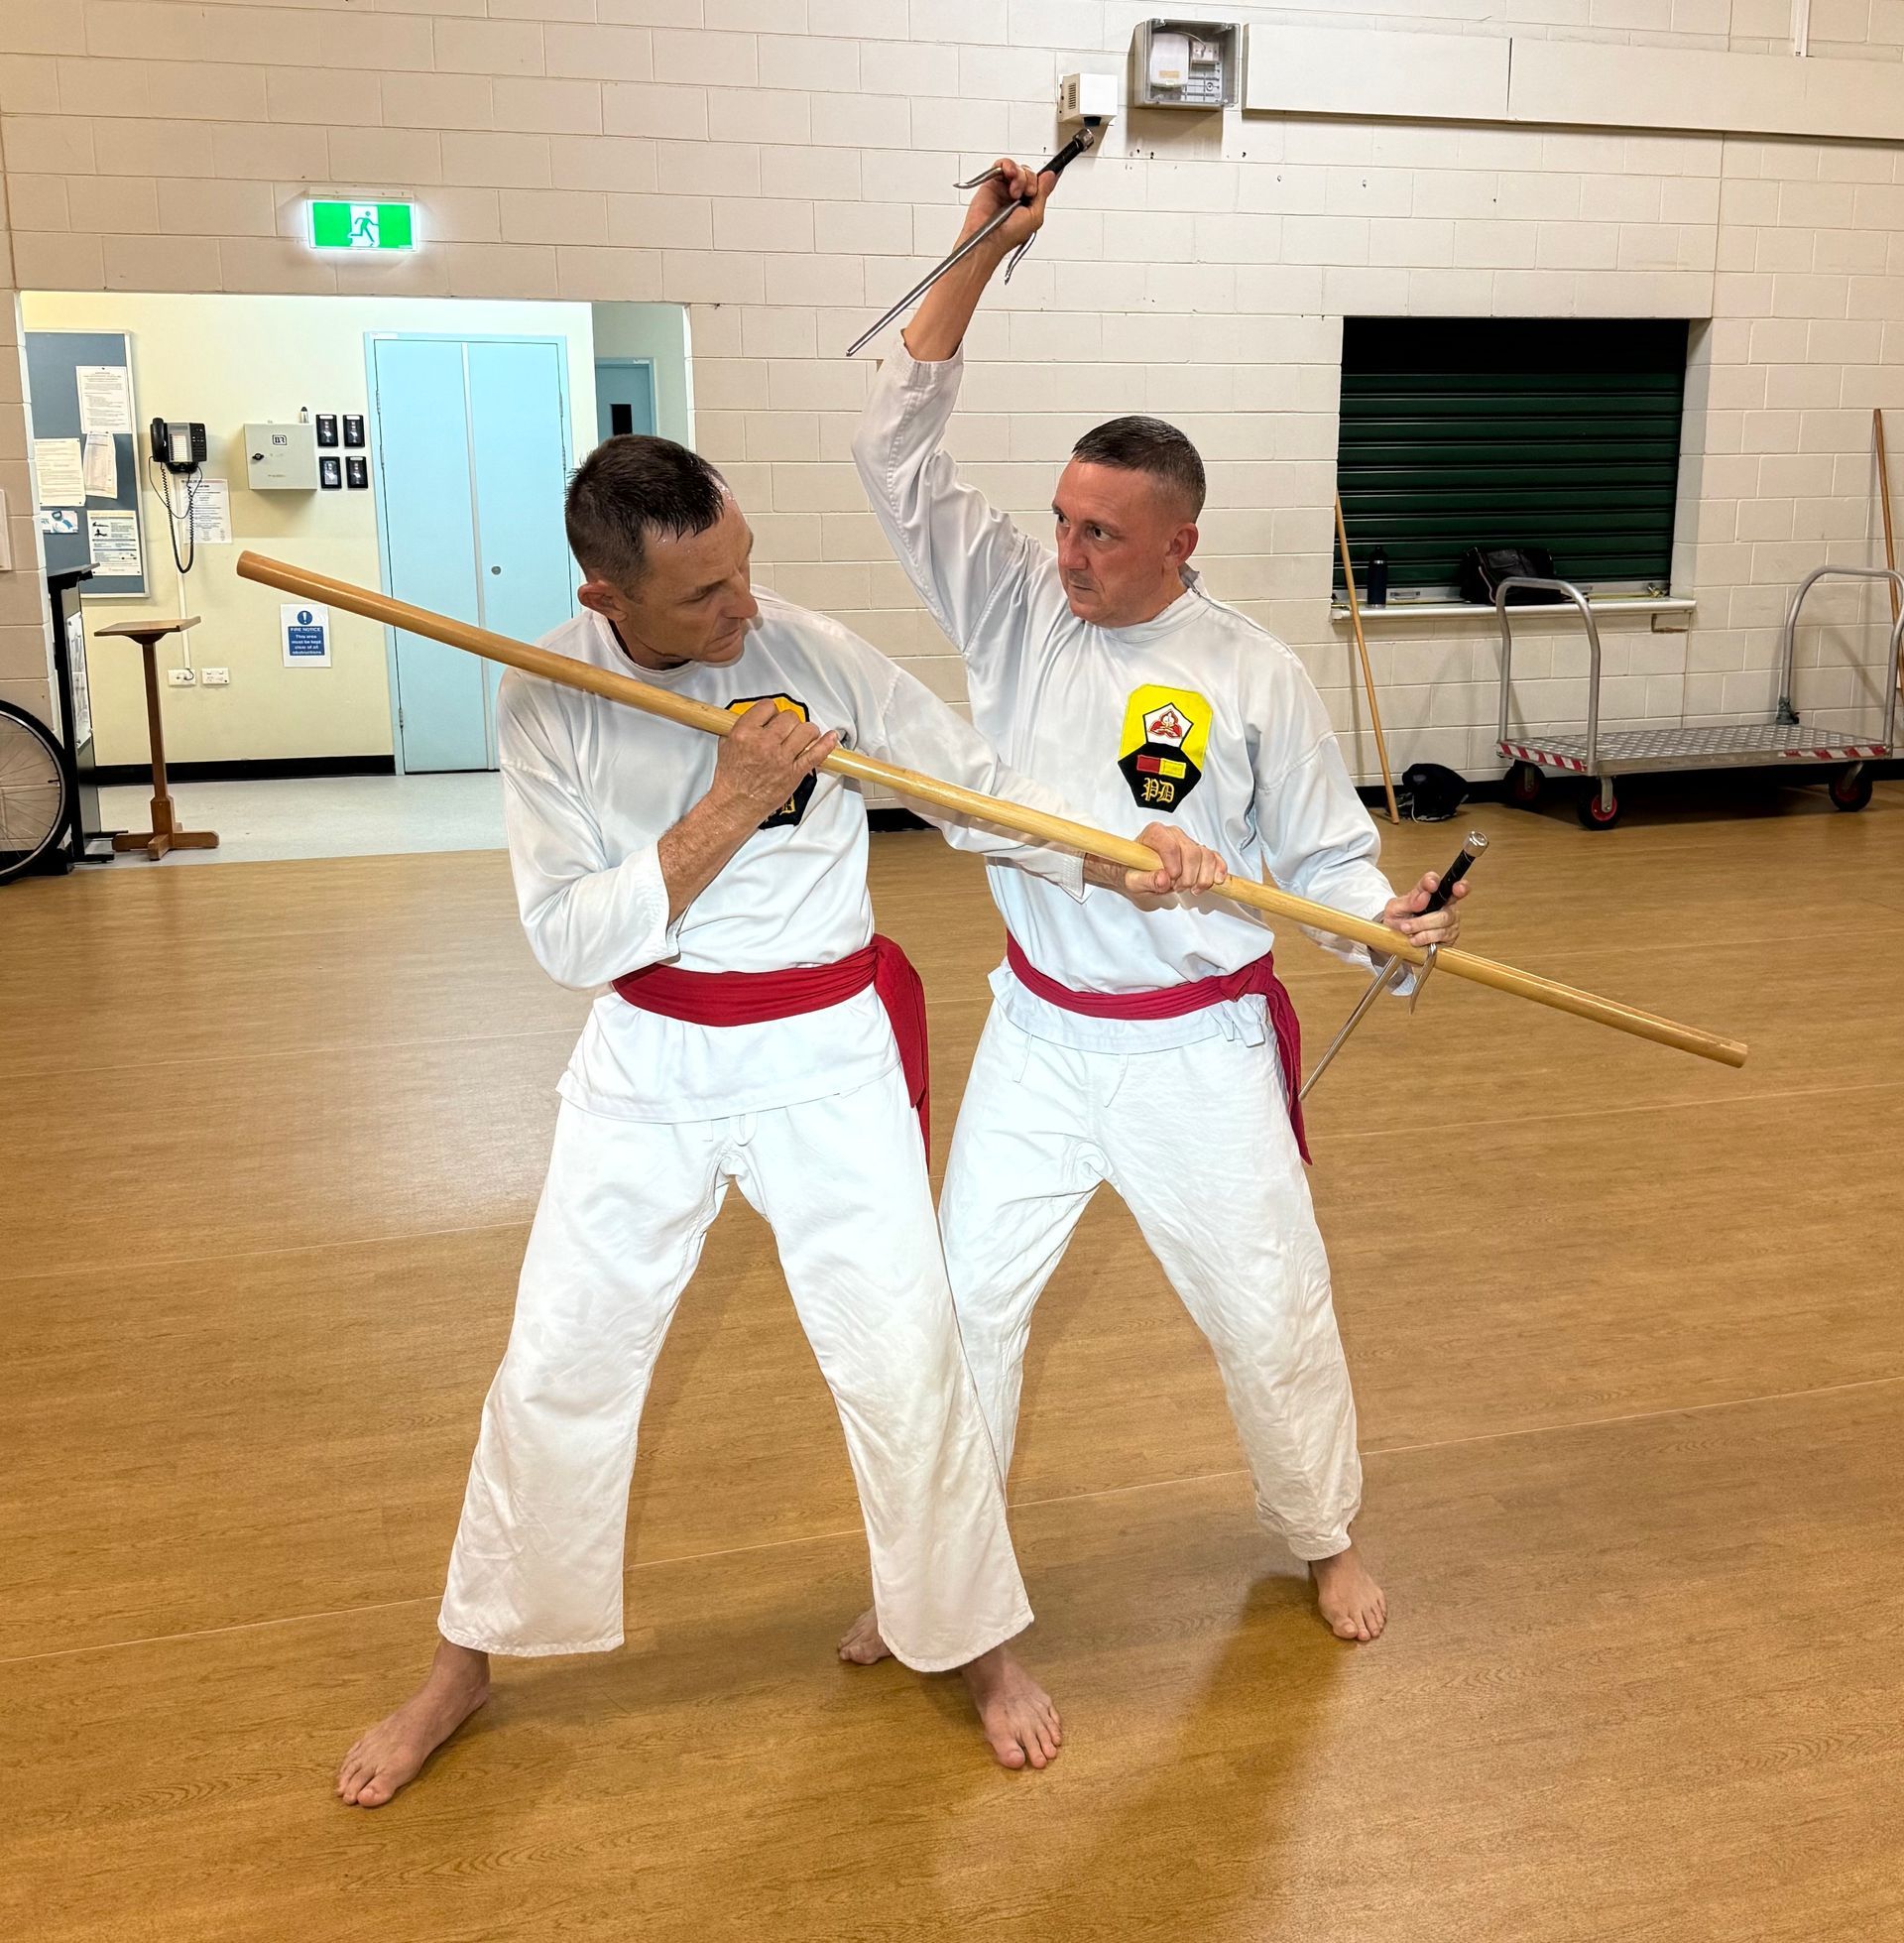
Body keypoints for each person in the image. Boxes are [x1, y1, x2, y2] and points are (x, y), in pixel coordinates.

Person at [336, 433, 1222, 1807]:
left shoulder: (807, 650)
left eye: (744, 572)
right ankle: (469, 1661)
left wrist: (1126, 856)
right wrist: (732, 807)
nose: (742, 611)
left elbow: (969, 790)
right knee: (562, 1356)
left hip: (825, 1054)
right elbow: (571, 940)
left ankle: (970, 1636)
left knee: (905, 1353)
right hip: (649, 1051)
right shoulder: (544, 700)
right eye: (704, 596)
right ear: (603, 595)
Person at [848, 158, 1470, 1650]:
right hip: (1042, 1039)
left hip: (1198, 1050)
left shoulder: (1250, 670)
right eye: (1061, 520)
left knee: (1269, 1310)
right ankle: (936, 1581)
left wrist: (1388, 918)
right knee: (963, 1313)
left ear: (1180, 540)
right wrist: (978, 248)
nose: (1064, 553)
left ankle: (1319, 1535)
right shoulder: (1012, 604)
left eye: (1100, 534)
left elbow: (1320, 861)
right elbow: (895, 460)